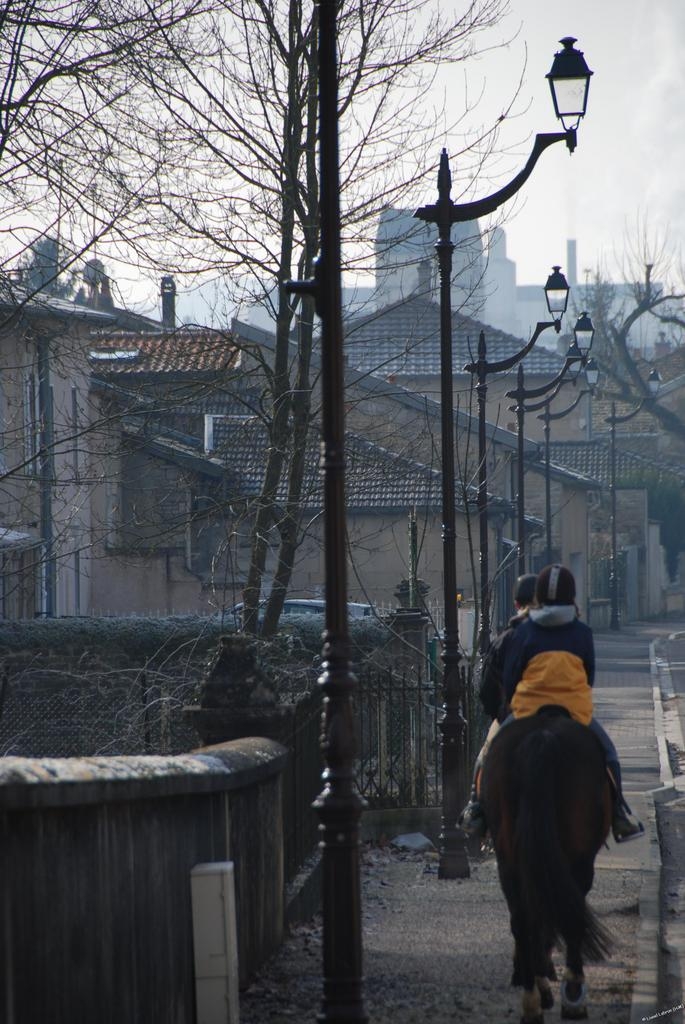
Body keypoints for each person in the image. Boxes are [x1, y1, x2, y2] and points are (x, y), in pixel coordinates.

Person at [502, 563, 643, 843]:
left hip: (528, 712)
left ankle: (477, 808)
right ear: (572, 596)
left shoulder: (524, 632)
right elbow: (589, 677)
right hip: (574, 713)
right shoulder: (582, 633)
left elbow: (510, 679)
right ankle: (618, 814)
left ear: (539, 596)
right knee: (609, 755)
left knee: (491, 751)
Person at [458, 573, 538, 838]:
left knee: (484, 758)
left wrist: (500, 715)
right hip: (563, 711)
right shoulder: (560, 635)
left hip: (515, 715)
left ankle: (476, 809)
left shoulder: (506, 639)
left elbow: (486, 691)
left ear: (517, 604)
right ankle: (614, 807)